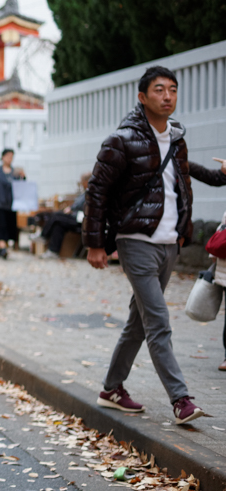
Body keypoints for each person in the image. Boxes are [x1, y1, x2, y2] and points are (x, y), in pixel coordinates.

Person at [84, 65, 205, 425]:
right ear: (142, 97)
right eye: (158, 90)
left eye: (172, 90)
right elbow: (97, 192)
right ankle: (181, 400)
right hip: (135, 241)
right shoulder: (121, 140)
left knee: (138, 321)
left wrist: (186, 225)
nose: (167, 96)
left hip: (169, 243)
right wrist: (95, 244)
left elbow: (183, 178)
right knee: (158, 320)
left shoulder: (176, 139)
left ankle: (111, 389)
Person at [39, 173, 89, 259]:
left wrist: (71, 209)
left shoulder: (90, 192)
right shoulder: (84, 192)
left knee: (56, 216)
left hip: (80, 219)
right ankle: (53, 251)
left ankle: (43, 236)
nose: (80, 183)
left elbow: (80, 206)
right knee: (58, 224)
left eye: (82, 181)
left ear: (86, 181)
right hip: (76, 216)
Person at [0, 149, 26, 259]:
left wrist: (23, 177)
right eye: (8, 156)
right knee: (1, 225)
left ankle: (4, 247)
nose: (10, 159)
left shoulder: (15, 172)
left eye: (11, 157)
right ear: (3, 157)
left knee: (10, 226)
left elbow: (21, 187)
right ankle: (2, 246)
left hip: (11, 204)